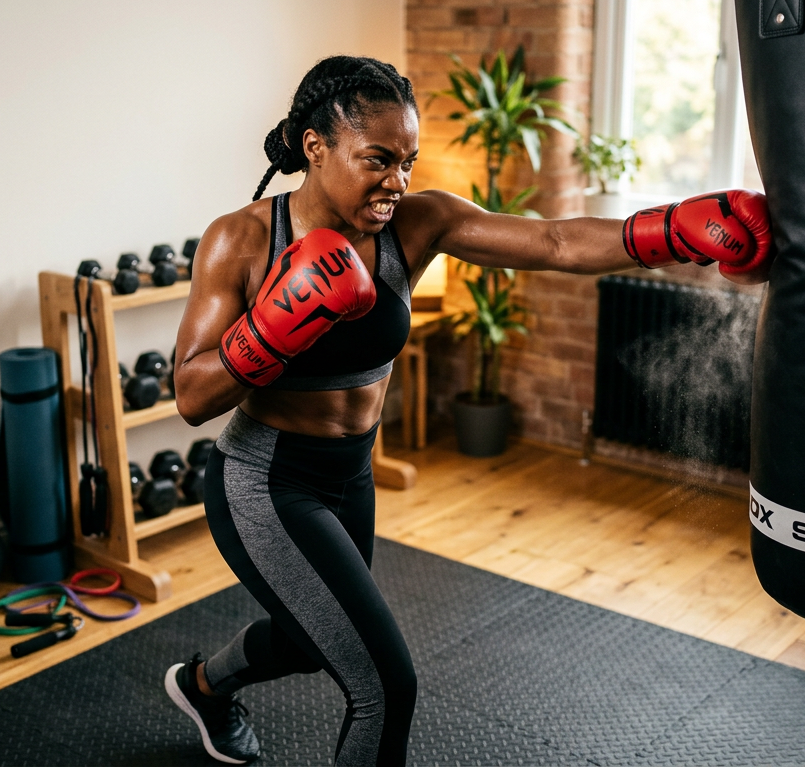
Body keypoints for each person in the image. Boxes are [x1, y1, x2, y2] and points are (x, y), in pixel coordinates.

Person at [167, 56, 773, 766]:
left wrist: (670, 230)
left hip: (350, 477)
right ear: (315, 147)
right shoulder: (240, 240)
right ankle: (208, 689)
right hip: (266, 482)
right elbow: (190, 395)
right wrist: (268, 330)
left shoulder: (415, 225)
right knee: (384, 685)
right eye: (378, 159)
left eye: (408, 162)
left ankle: (203, 687)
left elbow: (553, 241)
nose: (397, 181)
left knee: (312, 638)